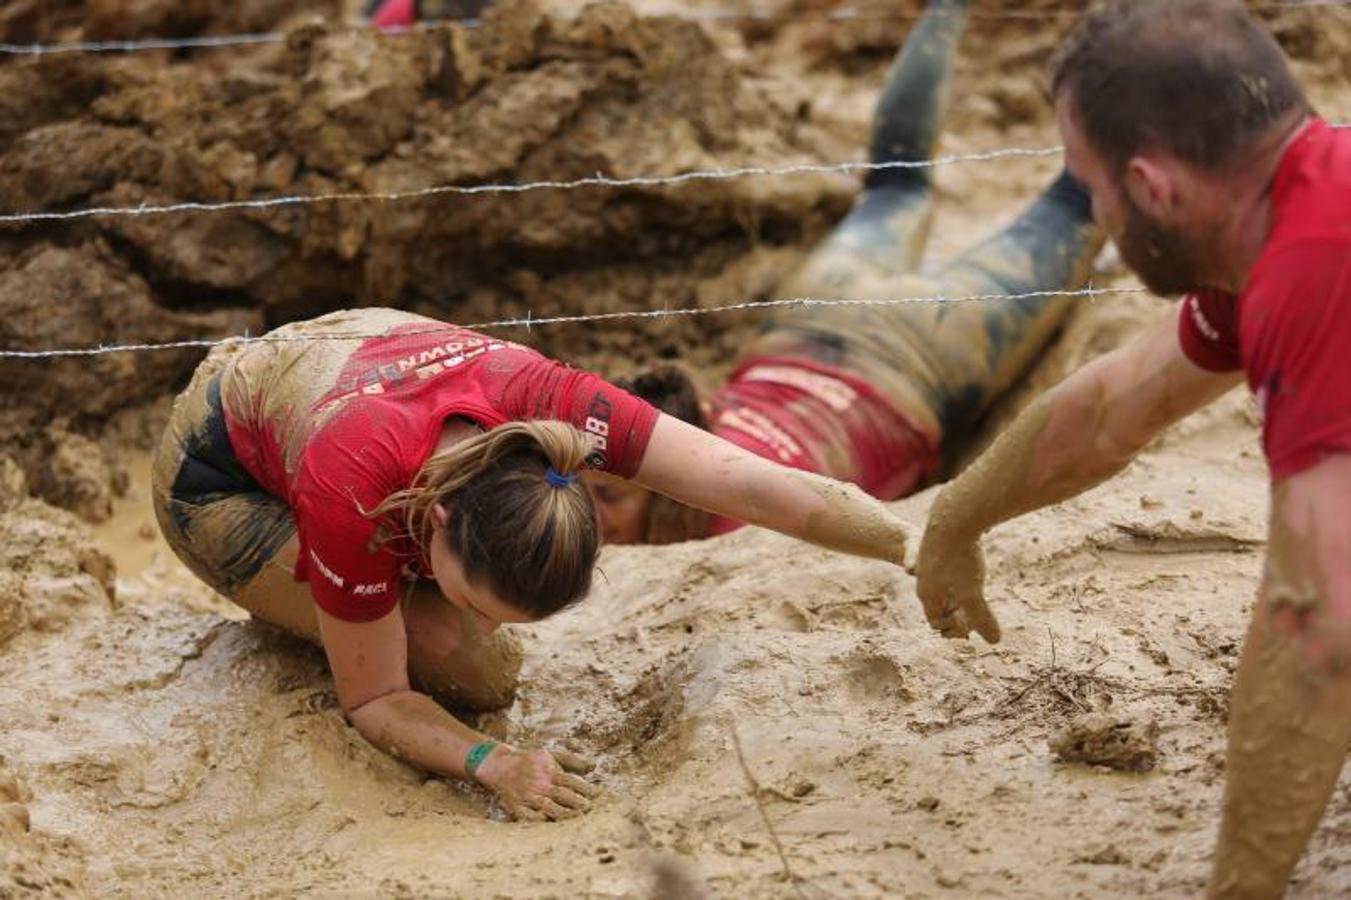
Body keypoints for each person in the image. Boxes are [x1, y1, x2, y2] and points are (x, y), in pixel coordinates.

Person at [152, 307, 913, 821]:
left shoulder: (559, 405)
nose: (478, 619)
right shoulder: (351, 487)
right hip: (218, 474)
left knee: (467, 649)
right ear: (434, 521)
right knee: (473, 669)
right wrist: (491, 762)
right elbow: (377, 698)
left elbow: (747, 480)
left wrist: (914, 547)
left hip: (351, 368)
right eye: (475, 596)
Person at [913, 2, 1350, 896]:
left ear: (1152, 188)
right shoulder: (1283, 217)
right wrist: (958, 517)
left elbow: (1316, 628)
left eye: (1089, 187)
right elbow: (1113, 407)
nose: (1098, 218)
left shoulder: (1318, 266)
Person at [584, 0, 1105, 545]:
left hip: (916, 357)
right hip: (815, 312)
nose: (591, 512)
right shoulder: (679, 434)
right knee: (895, 183)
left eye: (610, 495)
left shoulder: (735, 529)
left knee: (1076, 202)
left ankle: (1157, 48)